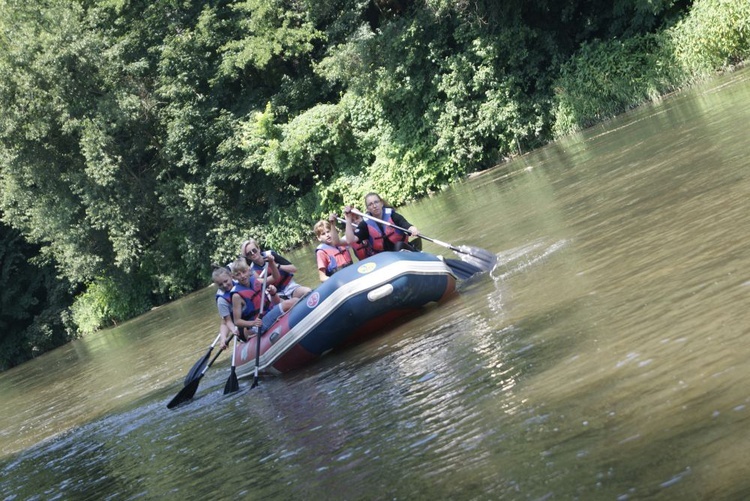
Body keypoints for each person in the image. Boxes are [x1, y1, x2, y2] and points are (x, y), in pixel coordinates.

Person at [230, 257, 298, 341]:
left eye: (244, 272)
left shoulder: (256, 281)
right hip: (258, 324)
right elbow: (237, 321)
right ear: (233, 277)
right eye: (238, 274)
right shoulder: (236, 296)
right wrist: (253, 323)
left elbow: (275, 277)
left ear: (248, 270)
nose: (242, 276)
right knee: (289, 303)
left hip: (268, 312)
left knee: (293, 301)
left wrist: (272, 263)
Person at [344, 193, 420, 253]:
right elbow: (350, 240)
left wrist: (412, 228)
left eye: (376, 202)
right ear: (368, 209)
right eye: (370, 204)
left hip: (403, 250)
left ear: (381, 203)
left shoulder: (392, 215)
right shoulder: (365, 224)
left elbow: (405, 224)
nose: (374, 206)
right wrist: (348, 219)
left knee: (398, 245)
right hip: (385, 259)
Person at [239, 238, 311, 299]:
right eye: (249, 254)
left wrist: (277, 266)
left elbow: (294, 269)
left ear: (258, 249)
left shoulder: (271, 254)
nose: (253, 254)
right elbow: (264, 284)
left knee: (307, 291)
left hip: (289, 286)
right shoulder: (252, 271)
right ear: (247, 257)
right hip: (276, 295)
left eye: (254, 250)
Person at [313, 214, 353, 281]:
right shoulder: (321, 252)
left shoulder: (342, 243)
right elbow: (322, 277)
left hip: (351, 275)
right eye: (323, 234)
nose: (327, 235)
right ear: (319, 238)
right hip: (338, 281)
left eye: (328, 231)